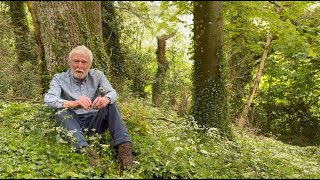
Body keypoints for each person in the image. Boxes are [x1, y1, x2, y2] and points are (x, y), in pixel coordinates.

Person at [44, 45, 134, 169]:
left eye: (84, 62)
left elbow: (113, 93)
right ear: (70, 62)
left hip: (94, 120)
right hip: (72, 121)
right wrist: (73, 103)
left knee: (111, 104)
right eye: (76, 61)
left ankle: (125, 153)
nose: (79, 66)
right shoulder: (59, 78)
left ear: (90, 65)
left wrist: (105, 99)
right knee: (61, 112)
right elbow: (49, 99)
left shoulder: (98, 75)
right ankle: (87, 155)